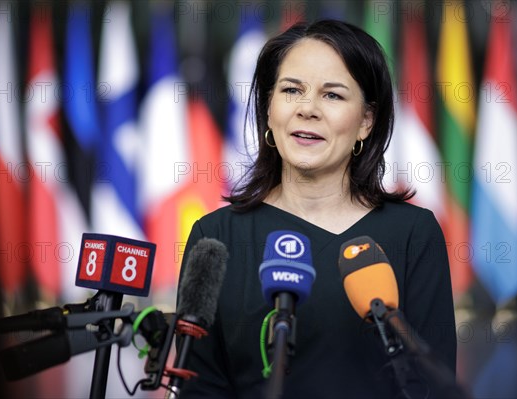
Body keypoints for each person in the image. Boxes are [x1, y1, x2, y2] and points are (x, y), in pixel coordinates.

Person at [177, 19, 456, 398]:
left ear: (366, 122)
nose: (307, 109)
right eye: (291, 90)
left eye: (333, 95)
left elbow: (432, 383)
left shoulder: (413, 232)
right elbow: (198, 387)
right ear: (269, 109)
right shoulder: (215, 237)